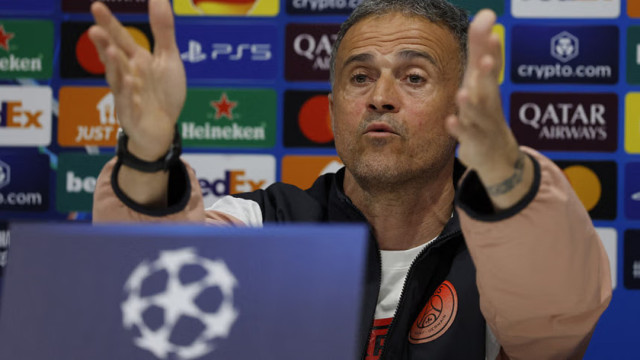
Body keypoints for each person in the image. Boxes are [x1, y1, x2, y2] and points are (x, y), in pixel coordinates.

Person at [89, 0, 612, 359]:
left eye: (414, 77)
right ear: (334, 109)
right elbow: (148, 283)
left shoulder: (502, 247)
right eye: (359, 77)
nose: (380, 97)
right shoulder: (264, 226)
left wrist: (505, 173)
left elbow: (556, 318)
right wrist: (147, 154)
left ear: (462, 102)